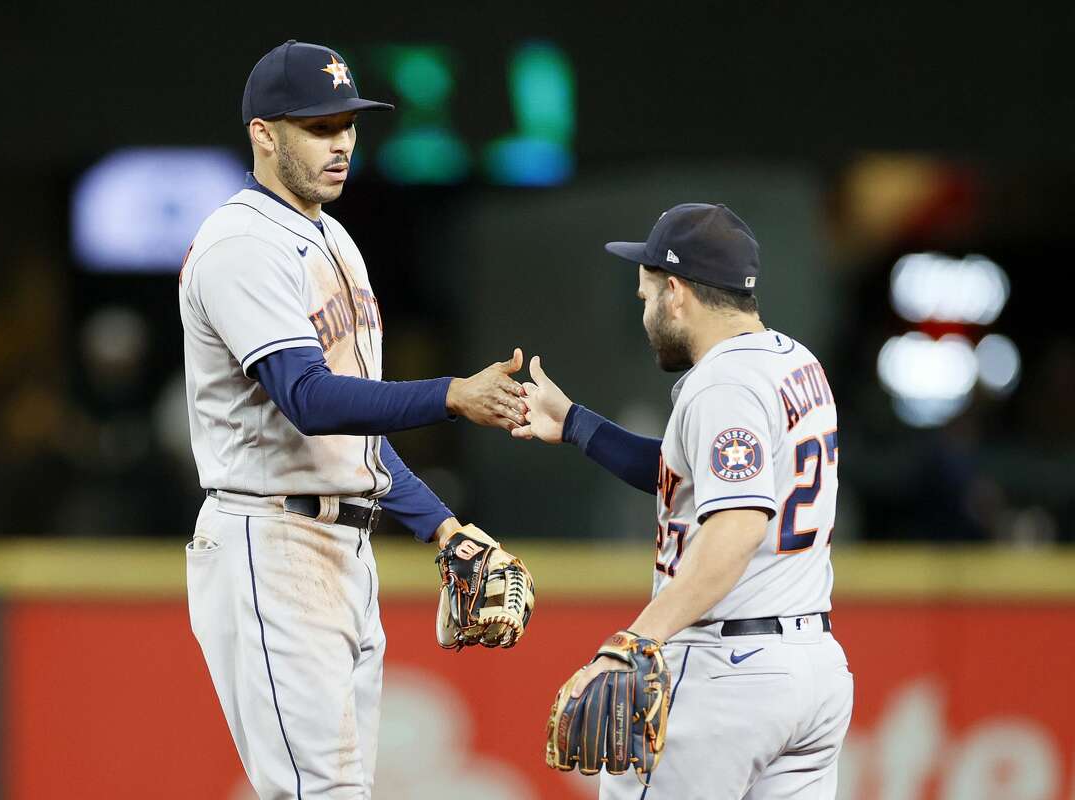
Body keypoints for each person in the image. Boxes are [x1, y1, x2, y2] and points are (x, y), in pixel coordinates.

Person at [178, 40, 528, 799]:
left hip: (339, 544)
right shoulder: (242, 244)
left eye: (347, 124)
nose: (340, 142)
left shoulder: (332, 238)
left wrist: (440, 525)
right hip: (270, 540)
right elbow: (308, 399)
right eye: (317, 126)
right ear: (264, 133)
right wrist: (451, 395)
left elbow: (354, 436)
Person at [518, 204, 853, 798]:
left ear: (676, 293)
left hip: (727, 672)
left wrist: (633, 641)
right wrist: (574, 423)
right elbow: (701, 477)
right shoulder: (796, 361)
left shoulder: (722, 384)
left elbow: (736, 528)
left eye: (646, 296)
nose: (644, 311)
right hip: (812, 667)